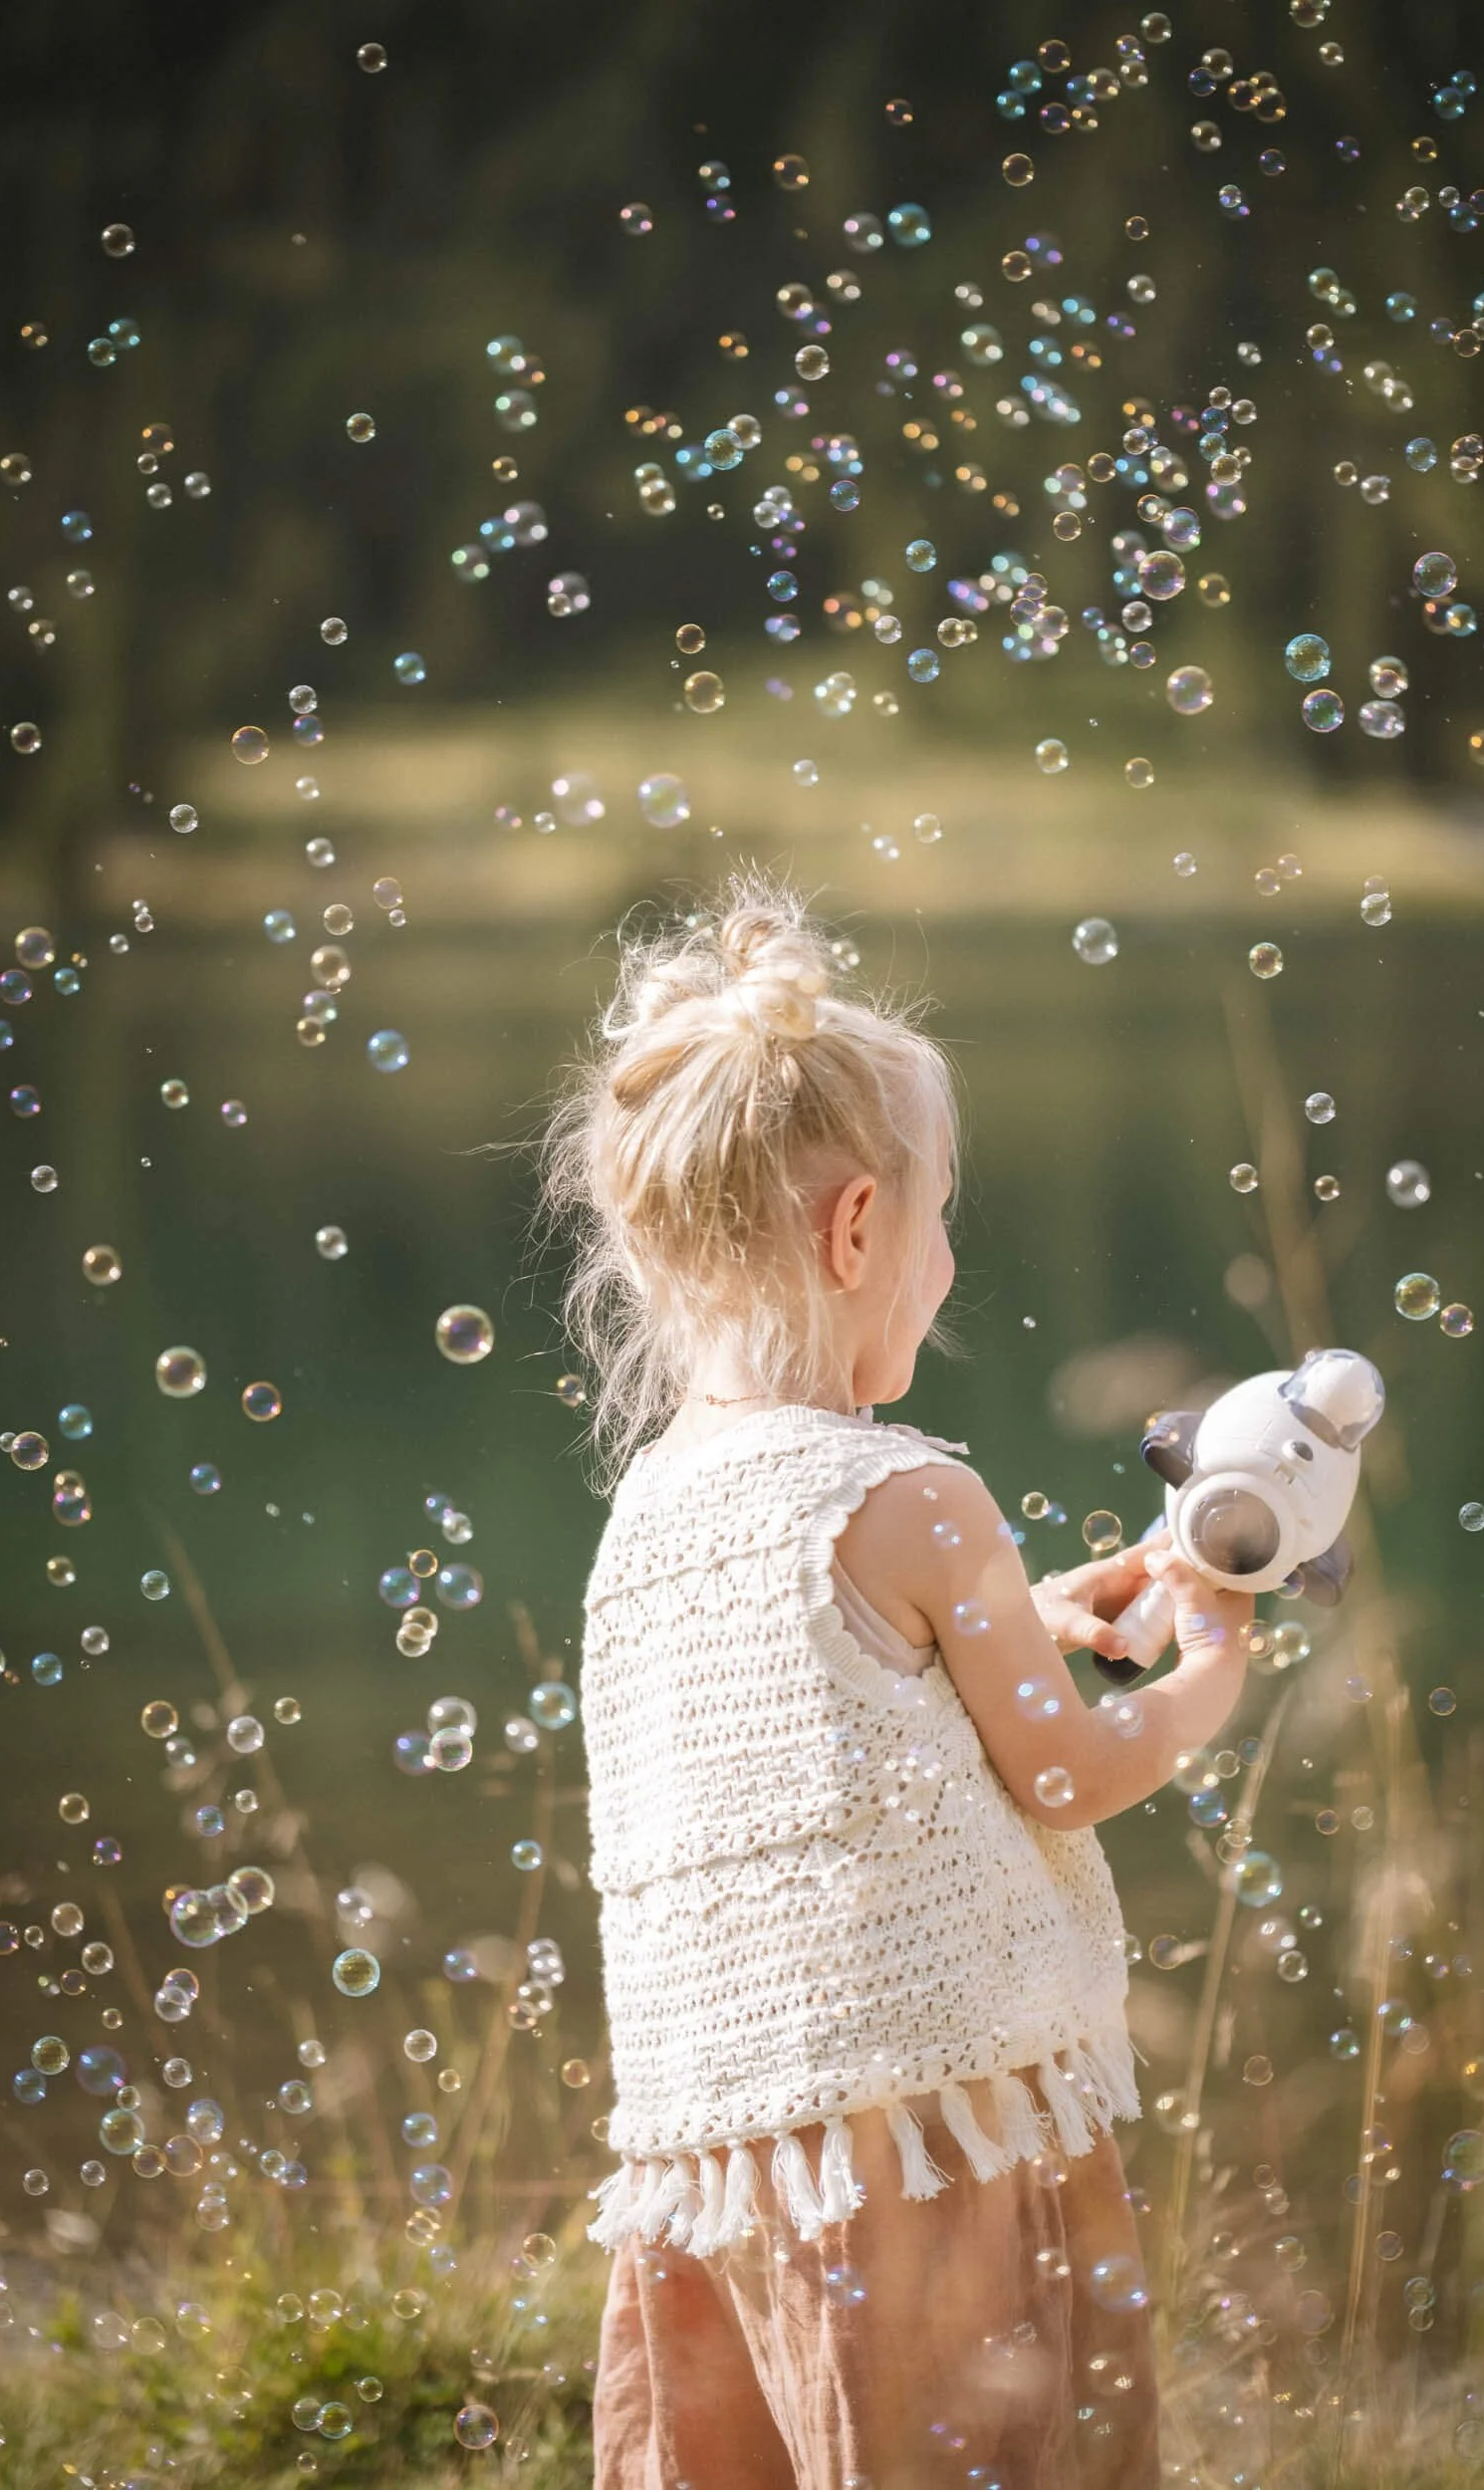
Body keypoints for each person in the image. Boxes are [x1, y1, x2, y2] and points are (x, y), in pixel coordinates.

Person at [542, 872, 1253, 2488]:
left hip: (732, 2160)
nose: (940, 1262)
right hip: (926, 2142)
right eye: (938, 1223)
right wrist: (1211, 1653)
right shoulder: (908, 1493)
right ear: (858, 1226)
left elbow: (833, 1704)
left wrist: (1039, 1612)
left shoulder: (654, 1500)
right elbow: (1067, 1774)